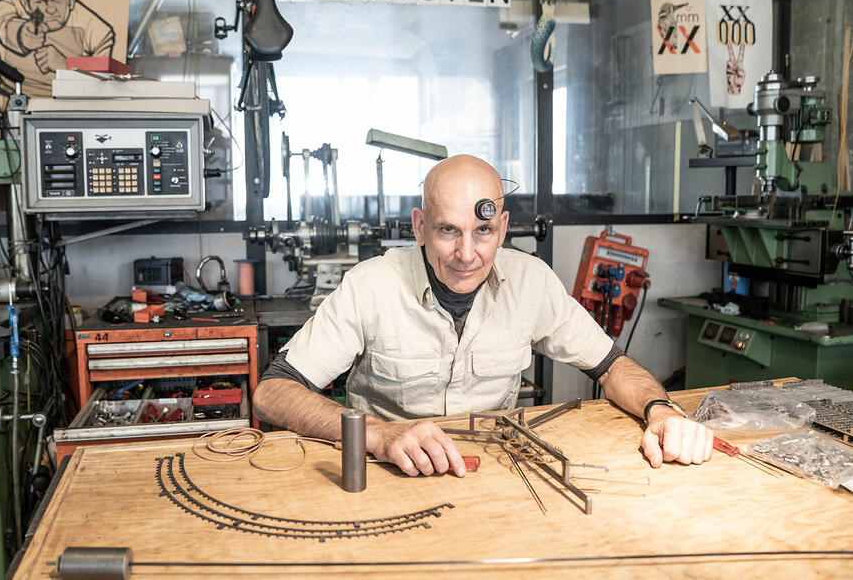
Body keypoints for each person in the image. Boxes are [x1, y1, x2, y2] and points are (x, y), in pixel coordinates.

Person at [253, 155, 714, 478]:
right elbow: (273, 393)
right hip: (384, 475)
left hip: (495, 478)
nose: (467, 254)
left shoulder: (531, 283)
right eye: (448, 231)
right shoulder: (370, 285)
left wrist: (661, 411)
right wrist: (380, 435)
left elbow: (613, 366)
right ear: (418, 227)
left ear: (504, 227)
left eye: (484, 231)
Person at [0, 0, 116, 108]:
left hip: (70, 107)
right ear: (25, 2)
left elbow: (104, 78)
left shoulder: (96, 30)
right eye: (39, 1)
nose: (50, 9)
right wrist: (20, 35)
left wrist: (65, 64)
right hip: (14, 104)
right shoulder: (8, 7)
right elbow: (1, 19)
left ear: (71, 0)